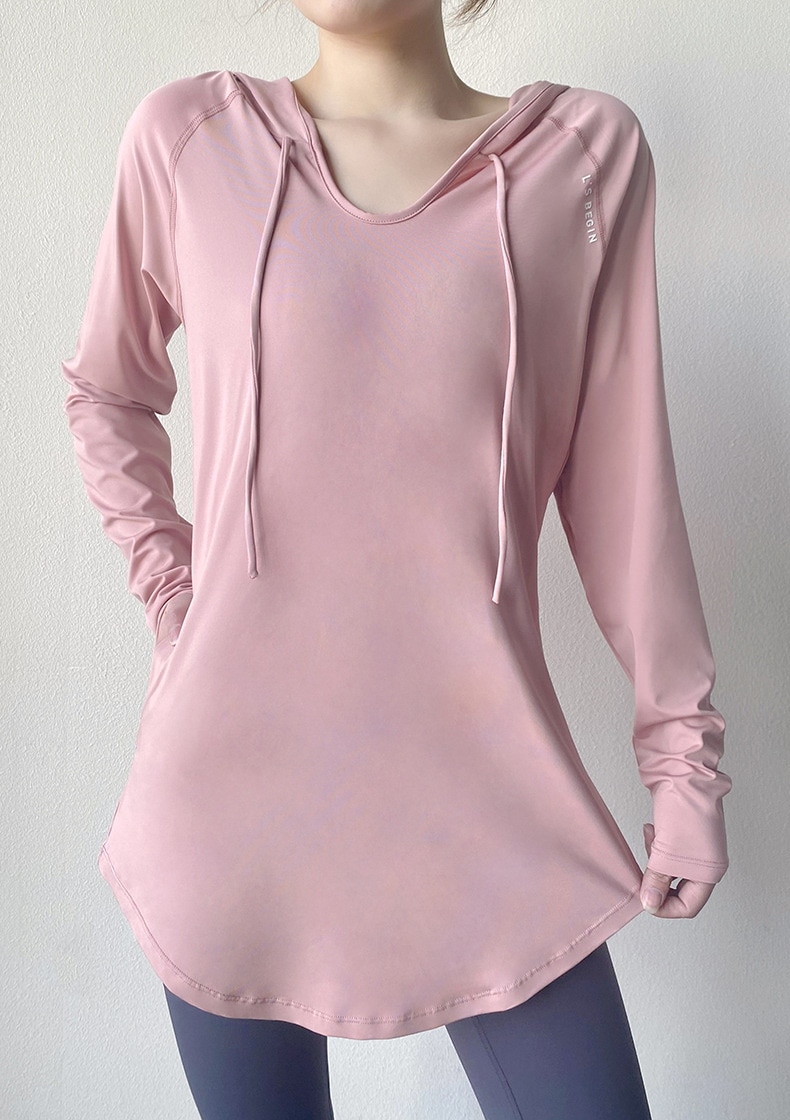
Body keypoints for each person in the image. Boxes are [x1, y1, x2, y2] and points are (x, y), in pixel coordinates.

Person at [61, 0, 732, 1116]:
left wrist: (682, 754)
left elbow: (628, 493)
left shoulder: (581, 159)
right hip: (228, 796)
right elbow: (106, 390)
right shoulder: (190, 139)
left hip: (481, 789)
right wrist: (178, 594)